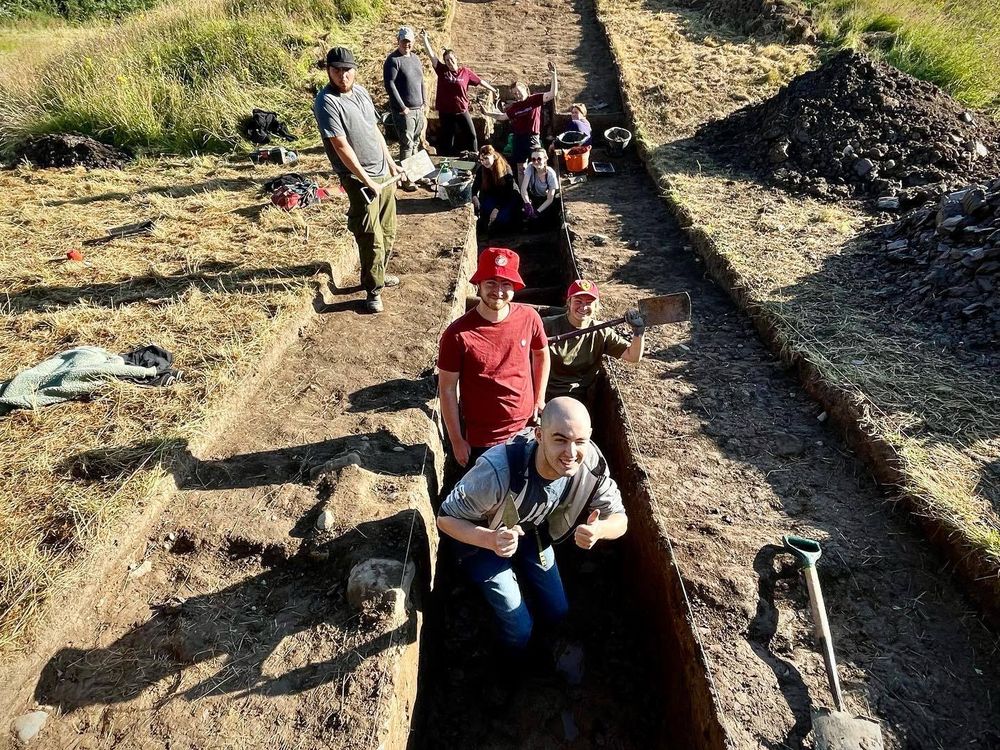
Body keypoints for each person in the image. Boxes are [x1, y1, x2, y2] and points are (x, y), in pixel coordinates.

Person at [437, 397, 628, 652]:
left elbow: (621, 519)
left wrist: (598, 531)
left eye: (580, 441)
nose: (571, 453)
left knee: (558, 609)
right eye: (560, 439)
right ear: (539, 435)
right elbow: (445, 518)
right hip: (481, 538)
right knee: (520, 628)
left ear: (589, 437)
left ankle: (549, 651)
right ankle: (512, 666)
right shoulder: (497, 471)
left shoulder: (590, 464)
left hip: (529, 530)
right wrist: (490, 540)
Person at [437, 247, 550, 467]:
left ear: (515, 288)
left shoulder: (529, 318)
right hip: (483, 440)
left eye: (506, 284)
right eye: (491, 282)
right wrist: (457, 440)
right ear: (478, 284)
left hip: (527, 429)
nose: (498, 291)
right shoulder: (456, 334)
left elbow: (541, 353)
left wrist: (539, 398)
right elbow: (447, 389)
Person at [314, 46, 403, 314]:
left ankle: (379, 274)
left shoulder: (362, 93)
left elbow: (374, 130)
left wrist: (390, 162)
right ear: (329, 71)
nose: (343, 76)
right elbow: (341, 146)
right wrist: (367, 180)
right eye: (337, 70)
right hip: (358, 179)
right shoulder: (327, 101)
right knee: (370, 235)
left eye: (347, 70)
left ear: (355, 69)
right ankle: (373, 290)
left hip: (382, 174)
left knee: (388, 230)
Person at [543, 280, 646, 403]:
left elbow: (633, 356)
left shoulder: (601, 332)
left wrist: (638, 332)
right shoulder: (546, 326)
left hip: (579, 397)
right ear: (569, 302)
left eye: (589, 303)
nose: (583, 307)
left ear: (596, 306)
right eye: (578, 301)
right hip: (543, 392)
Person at [420, 29, 498, 156]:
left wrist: (493, 89)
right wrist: (425, 39)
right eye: (447, 60)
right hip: (446, 112)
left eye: (451, 59)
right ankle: (446, 159)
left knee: (471, 134)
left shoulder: (465, 72)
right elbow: (432, 56)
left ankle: (474, 156)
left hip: (461, 110)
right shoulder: (442, 70)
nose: (450, 63)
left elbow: (480, 81)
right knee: (448, 138)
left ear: (456, 58)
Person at [484, 62, 557, 180]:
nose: (517, 95)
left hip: (532, 137)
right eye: (514, 94)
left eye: (518, 91)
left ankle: (541, 189)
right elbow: (502, 117)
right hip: (518, 138)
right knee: (520, 167)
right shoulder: (515, 107)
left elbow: (552, 94)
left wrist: (554, 75)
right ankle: (523, 192)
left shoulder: (535, 99)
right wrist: (487, 113)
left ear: (525, 89)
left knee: (538, 165)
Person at [383, 26, 426, 188]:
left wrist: (424, 103)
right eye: (403, 41)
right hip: (404, 111)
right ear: (398, 41)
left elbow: (421, 81)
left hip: (418, 108)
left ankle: (417, 175)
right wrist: (402, 107)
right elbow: (390, 85)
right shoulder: (393, 60)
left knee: (415, 142)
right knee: (407, 144)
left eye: (409, 41)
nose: (406, 44)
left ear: (413, 42)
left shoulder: (415, 58)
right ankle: (407, 179)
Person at [471, 145, 520, 236]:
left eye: (486, 158)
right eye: (481, 160)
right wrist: (474, 196)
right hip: (493, 196)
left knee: (502, 218)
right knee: (485, 210)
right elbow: (475, 186)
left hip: (507, 198)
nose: (484, 162)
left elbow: (508, 193)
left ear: (493, 156)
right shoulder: (482, 169)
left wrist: (497, 209)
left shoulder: (506, 170)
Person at [520, 148, 560, 227]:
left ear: (545, 159)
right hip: (533, 198)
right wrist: (528, 204)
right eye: (533, 159)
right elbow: (523, 189)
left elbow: (550, 199)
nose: (536, 162)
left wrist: (537, 211)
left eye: (539, 159)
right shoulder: (530, 168)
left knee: (541, 220)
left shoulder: (550, 173)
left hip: (545, 201)